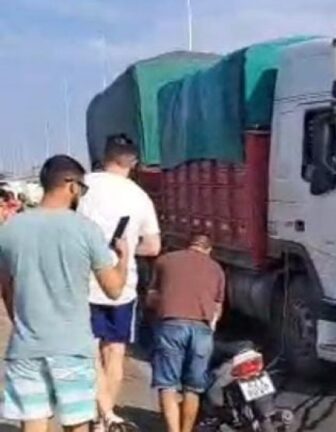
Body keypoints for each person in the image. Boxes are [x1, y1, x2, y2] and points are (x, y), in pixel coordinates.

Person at [0, 155, 128, 432]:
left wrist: (23, 322)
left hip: (26, 349)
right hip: (73, 349)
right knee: (77, 425)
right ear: (72, 186)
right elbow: (114, 289)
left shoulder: (10, 230)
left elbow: (6, 291)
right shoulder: (85, 230)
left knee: (32, 425)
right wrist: (124, 257)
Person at [77, 134, 161, 430]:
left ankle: (101, 414)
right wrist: (125, 248)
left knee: (90, 351)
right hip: (123, 287)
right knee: (115, 352)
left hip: (83, 283)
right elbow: (153, 247)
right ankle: (106, 416)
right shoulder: (139, 196)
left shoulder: (82, 186)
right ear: (133, 162)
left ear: (104, 156)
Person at [147, 233, 225, 432]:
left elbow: (151, 298)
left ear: (187, 245)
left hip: (171, 325)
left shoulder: (165, 261)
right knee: (193, 388)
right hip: (202, 330)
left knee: (168, 385)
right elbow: (217, 308)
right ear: (209, 250)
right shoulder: (216, 269)